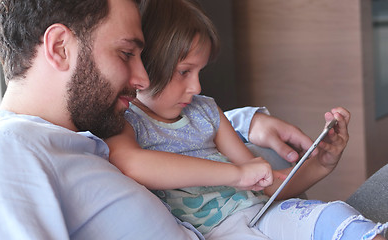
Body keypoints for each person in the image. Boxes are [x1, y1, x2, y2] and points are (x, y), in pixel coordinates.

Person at [0, 0, 334, 239]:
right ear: (59, 48)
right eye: (126, 54)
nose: (142, 78)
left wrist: (245, 122)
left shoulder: (80, 139)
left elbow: (163, 131)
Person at [105, 0, 388, 239]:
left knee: (337, 216)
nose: (197, 87)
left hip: (260, 214)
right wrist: (237, 175)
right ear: (148, 64)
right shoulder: (129, 119)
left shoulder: (206, 112)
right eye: (184, 72)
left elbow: (265, 181)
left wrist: (322, 164)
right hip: (217, 232)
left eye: (199, 72)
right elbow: (131, 163)